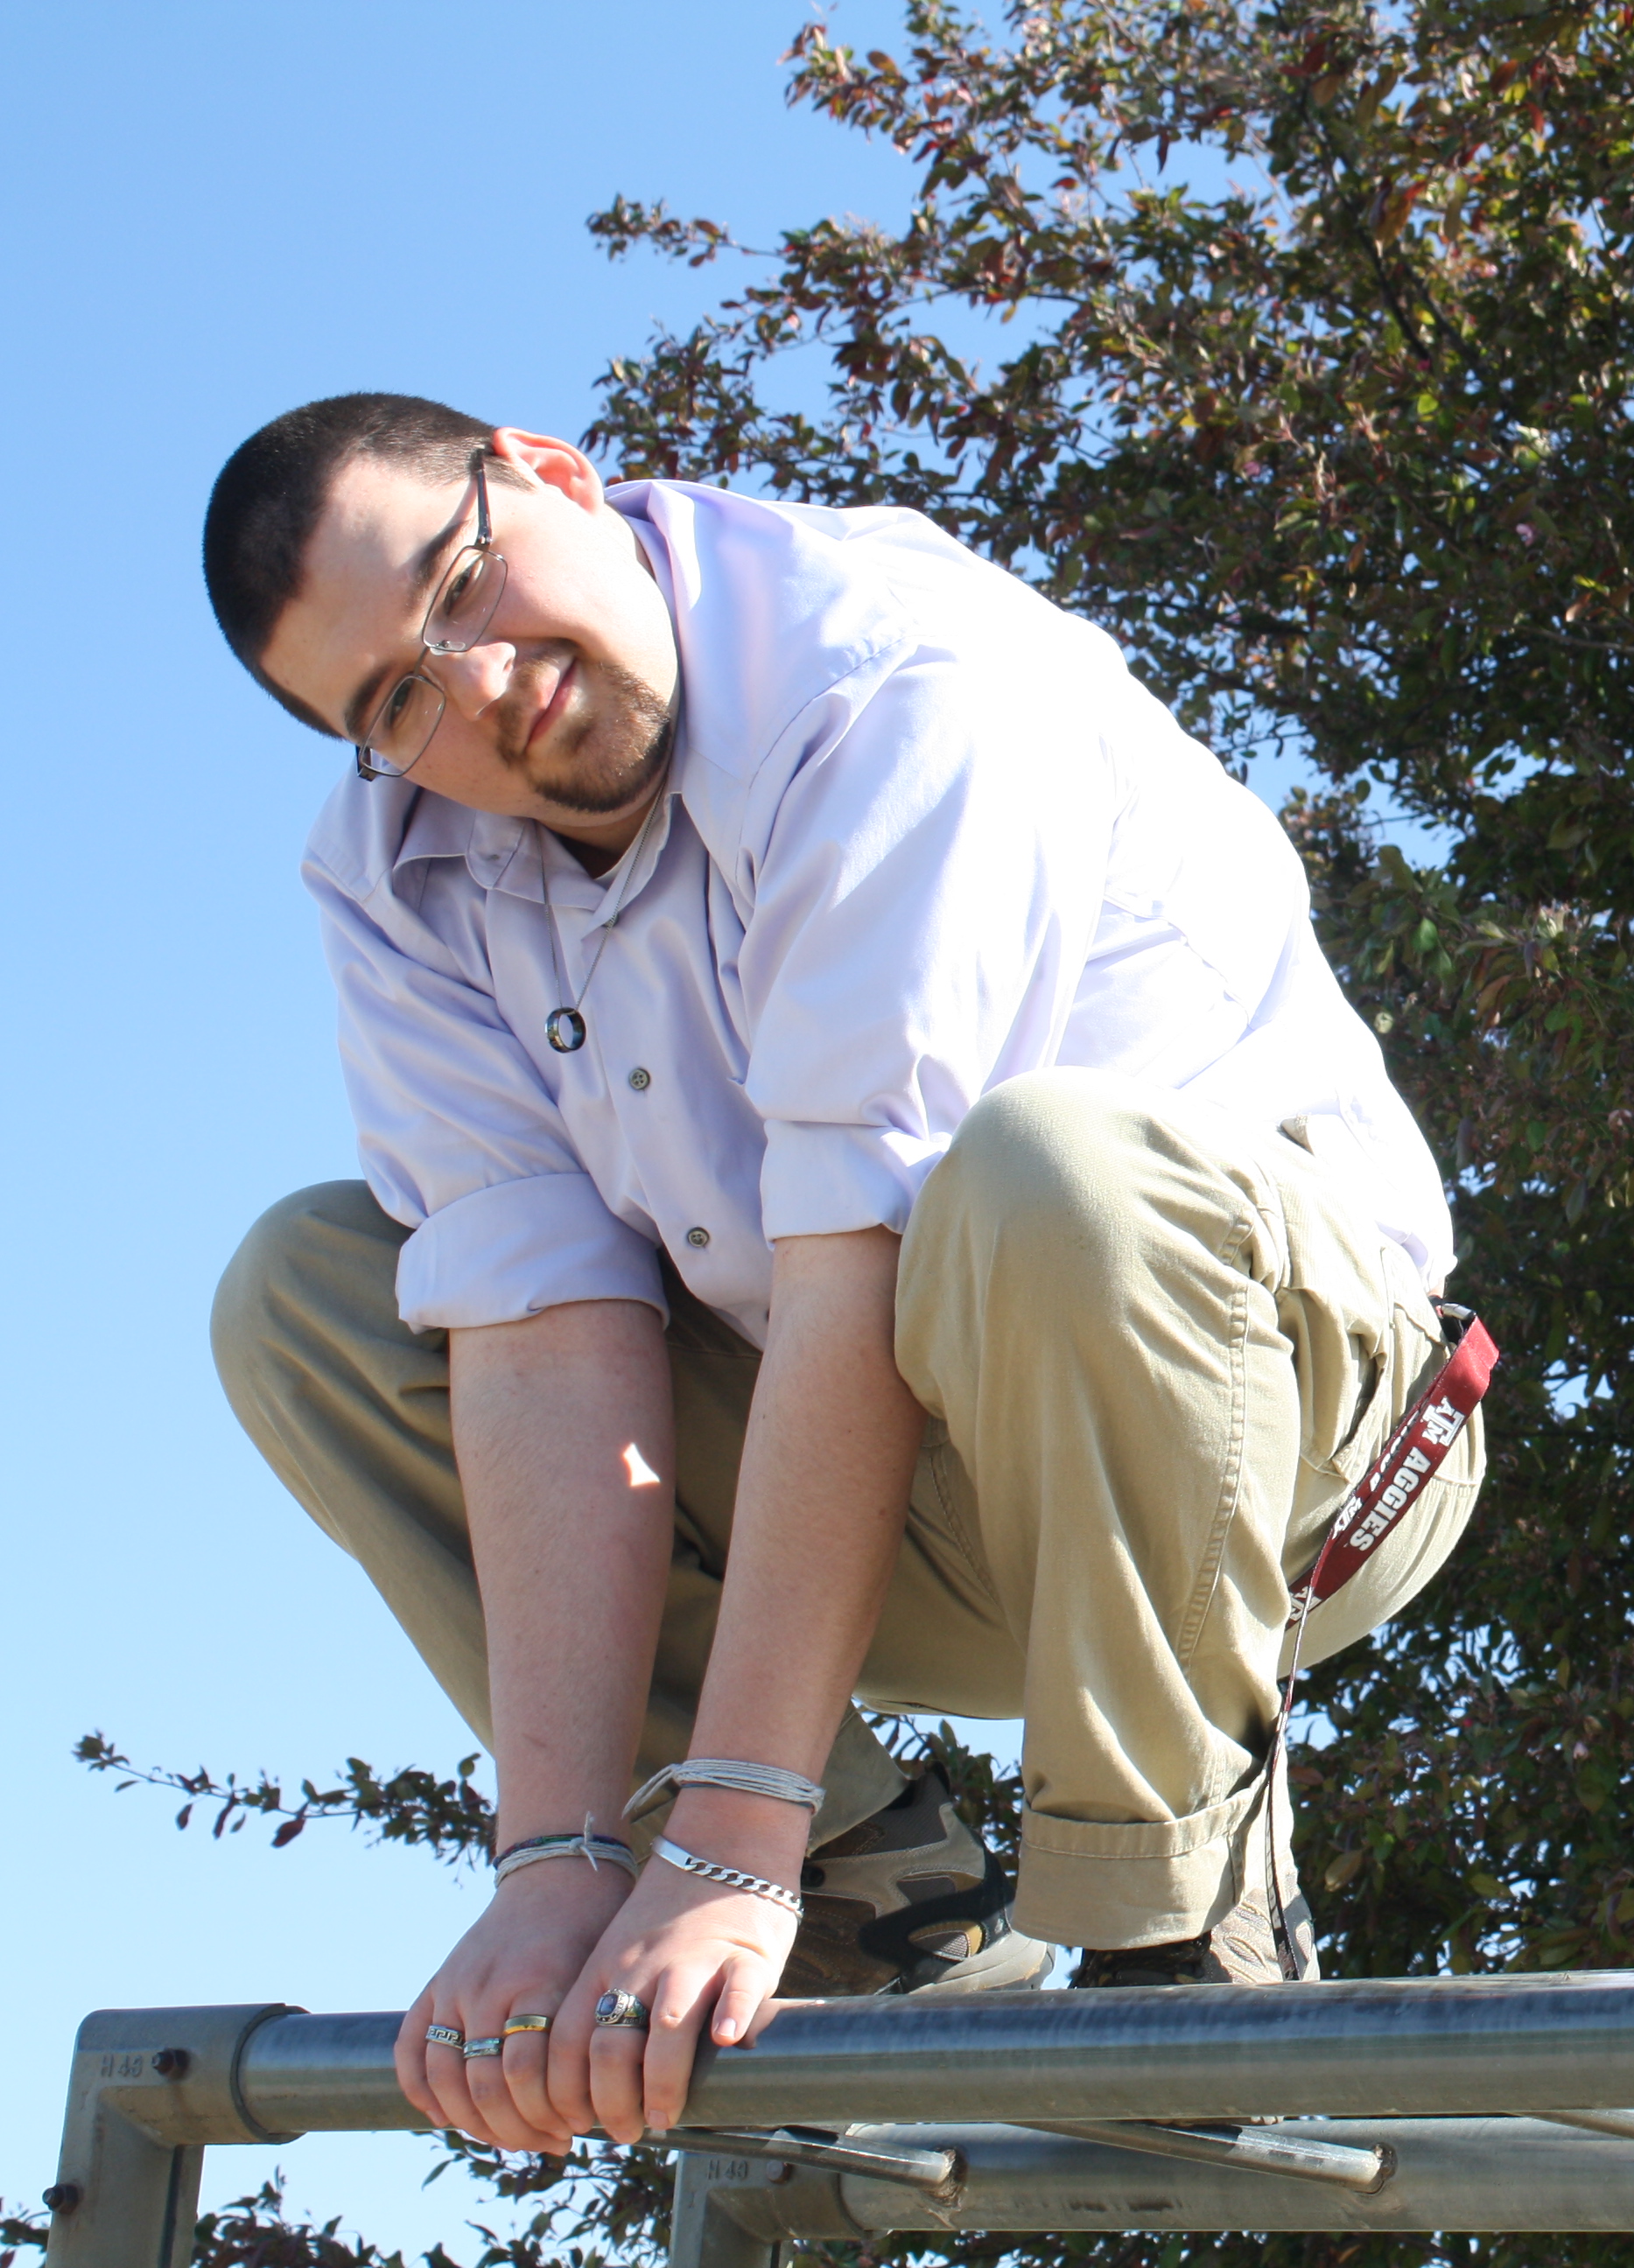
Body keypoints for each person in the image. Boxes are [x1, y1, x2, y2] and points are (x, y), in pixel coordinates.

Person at [199, 394, 1484, 2160]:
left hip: (1284, 1468)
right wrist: (564, 1858)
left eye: (464, 584)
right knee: (310, 1296)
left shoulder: (884, 672)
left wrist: (725, 1836)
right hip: (906, 1506)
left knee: (1050, 1167)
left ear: (551, 472)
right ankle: (874, 1901)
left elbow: (862, 1276)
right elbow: (543, 1347)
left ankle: (1178, 1902)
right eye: (397, 703)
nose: (481, 686)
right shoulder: (398, 878)